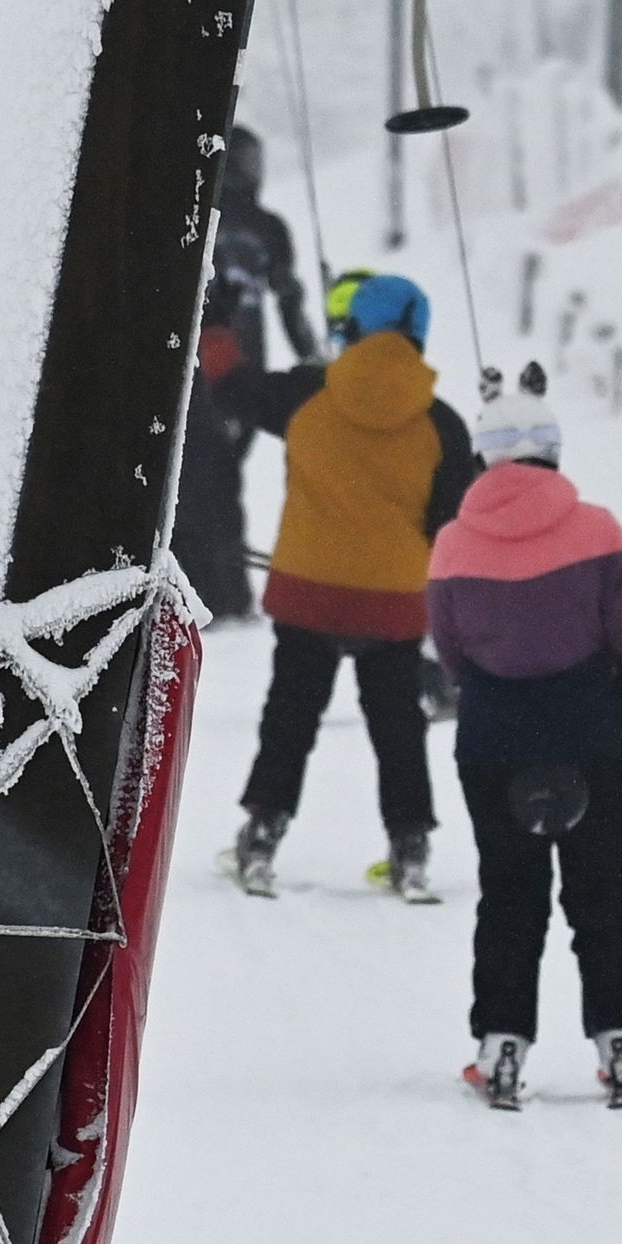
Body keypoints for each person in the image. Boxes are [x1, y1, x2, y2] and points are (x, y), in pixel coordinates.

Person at [423, 365, 622, 1111]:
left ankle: (500, 1047)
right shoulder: (600, 530)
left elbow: (451, 653)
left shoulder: (452, 546)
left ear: (483, 454)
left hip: (493, 742)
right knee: (602, 890)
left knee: (509, 894)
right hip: (595, 735)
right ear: (553, 449)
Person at [214, 272, 477, 902]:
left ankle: (262, 838)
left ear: (353, 326)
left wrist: (216, 321)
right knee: (397, 724)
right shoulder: (442, 424)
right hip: (394, 604)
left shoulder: (308, 394)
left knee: (290, 716)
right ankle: (410, 849)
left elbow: (230, 385)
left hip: (309, 592)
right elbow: (449, 525)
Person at [177, 125, 317, 621]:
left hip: (190, 375)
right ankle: (225, 597)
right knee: (221, 481)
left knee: (190, 484)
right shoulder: (268, 227)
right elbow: (291, 304)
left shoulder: (191, 218)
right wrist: (316, 365)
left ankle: (203, 592)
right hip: (243, 382)